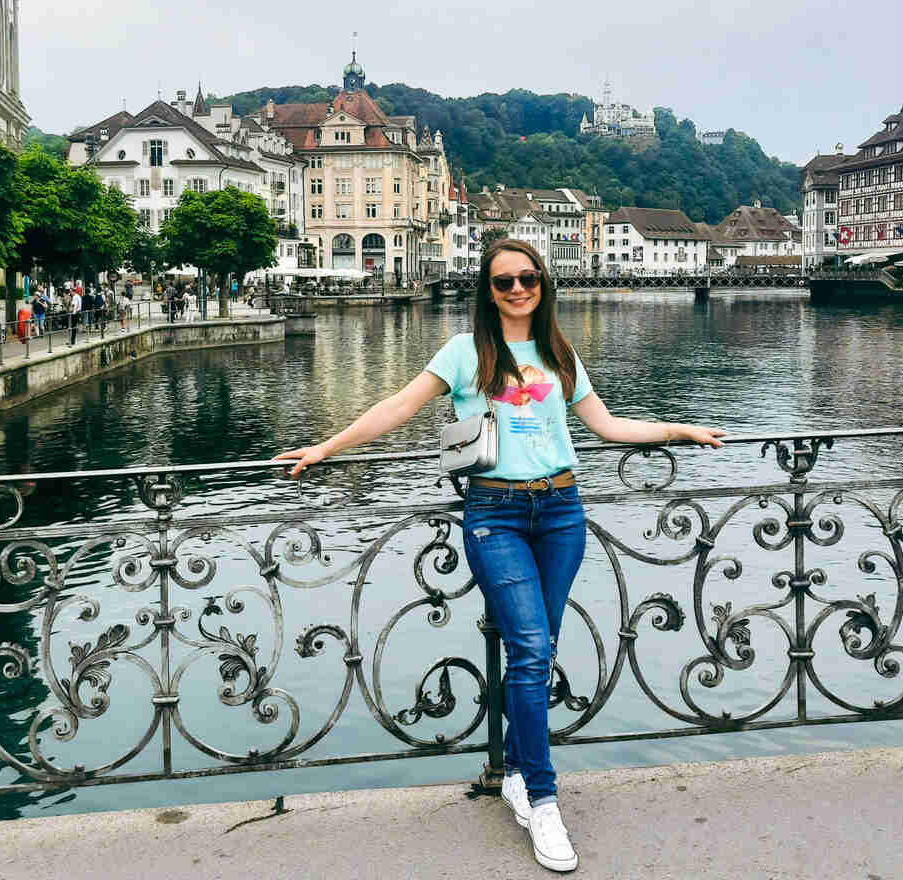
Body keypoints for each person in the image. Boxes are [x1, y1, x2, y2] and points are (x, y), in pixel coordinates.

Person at [275, 240, 725, 873]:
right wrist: (325, 447)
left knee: (538, 651)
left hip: (563, 513)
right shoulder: (466, 353)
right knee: (533, 650)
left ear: (544, 283)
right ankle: (544, 802)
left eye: (527, 278)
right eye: (503, 281)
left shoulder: (560, 354)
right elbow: (397, 408)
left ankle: (515, 770)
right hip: (496, 515)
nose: (517, 289)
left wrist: (679, 430)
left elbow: (608, 427)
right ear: (488, 291)